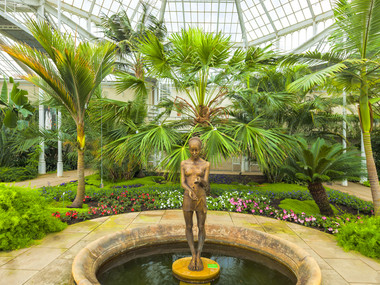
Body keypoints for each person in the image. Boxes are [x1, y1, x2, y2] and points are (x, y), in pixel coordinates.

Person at [181, 137, 210, 271]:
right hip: (188, 197)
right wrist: (188, 190)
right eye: (192, 150)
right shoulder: (183, 163)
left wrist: (201, 181)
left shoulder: (206, 164)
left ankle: (199, 254)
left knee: (201, 226)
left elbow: (207, 185)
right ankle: (193, 254)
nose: (194, 152)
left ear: (200, 150)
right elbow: (182, 182)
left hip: (201, 197)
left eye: (196, 150)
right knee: (188, 226)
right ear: (189, 149)